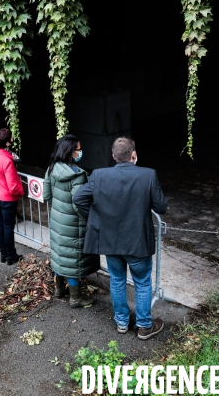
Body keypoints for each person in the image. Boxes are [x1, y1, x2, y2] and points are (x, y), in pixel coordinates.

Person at [73, 137, 168, 340]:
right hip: (138, 242)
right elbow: (161, 207)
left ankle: (122, 323)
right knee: (142, 282)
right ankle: (144, 326)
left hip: (110, 240)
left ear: (114, 156)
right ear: (133, 155)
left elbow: (79, 198)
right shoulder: (148, 175)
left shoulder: (99, 175)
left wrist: (96, 218)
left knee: (117, 280)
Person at [43, 134, 100, 307]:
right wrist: (90, 220)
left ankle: (59, 290)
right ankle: (76, 298)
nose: (80, 152)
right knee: (73, 259)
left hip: (57, 221)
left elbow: (46, 195)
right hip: (74, 225)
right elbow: (79, 204)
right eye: (78, 149)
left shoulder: (52, 168)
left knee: (61, 255)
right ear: (69, 151)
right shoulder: (77, 176)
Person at [0, 128, 24, 265]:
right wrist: (20, 194)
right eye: (11, 137)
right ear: (8, 143)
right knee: (9, 227)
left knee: (0, 226)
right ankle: (11, 256)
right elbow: (13, 185)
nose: (13, 138)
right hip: (7, 198)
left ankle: (3, 254)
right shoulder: (7, 160)